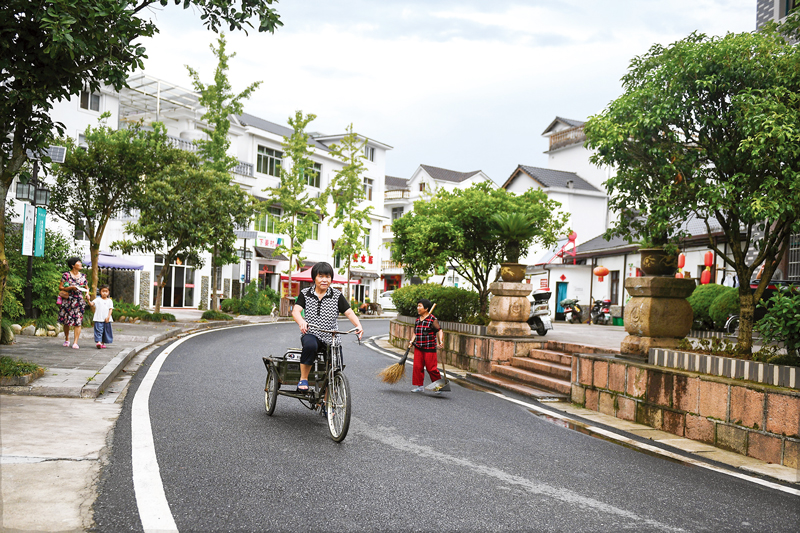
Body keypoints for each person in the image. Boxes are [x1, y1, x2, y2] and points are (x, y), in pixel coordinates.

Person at [291, 262, 363, 392]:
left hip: (332, 337)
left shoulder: (336, 295)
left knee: (335, 366)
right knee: (310, 346)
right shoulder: (305, 293)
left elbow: (349, 312)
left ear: (331, 279)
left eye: (328, 276)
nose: (324, 280)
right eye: (321, 276)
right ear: (314, 278)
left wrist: (358, 325)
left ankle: (327, 401)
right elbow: (296, 311)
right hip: (312, 333)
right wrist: (301, 322)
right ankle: (304, 378)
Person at [407, 298, 444, 394]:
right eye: (418, 306)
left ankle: (439, 387)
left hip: (429, 348)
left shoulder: (432, 319)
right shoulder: (417, 320)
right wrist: (411, 341)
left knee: (431, 368)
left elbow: (439, 330)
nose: (418, 308)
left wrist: (441, 340)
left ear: (426, 308)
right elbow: (415, 332)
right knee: (417, 367)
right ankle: (419, 386)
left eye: (420, 306)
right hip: (418, 347)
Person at [58, 257, 88, 349]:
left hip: (78, 301)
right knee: (66, 321)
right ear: (73, 265)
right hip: (68, 300)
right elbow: (61, 287)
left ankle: (75, 342)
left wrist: (87, 293)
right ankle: (67, 339)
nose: (81, 264)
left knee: (78, 321)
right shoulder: (66, 275)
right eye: (79, 262)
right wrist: (71, 288)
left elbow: (87, 287)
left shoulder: (83, 276)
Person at [87, 284, 114, 349]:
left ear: (108, 292)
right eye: (103, 291)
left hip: (106, 319)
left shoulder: (110, 301)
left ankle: (102, 342)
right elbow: (91, 304)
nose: (104, 293)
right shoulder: (97, 299)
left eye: (106, 291)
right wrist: (88, 299)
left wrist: (108, 317)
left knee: (106, 331)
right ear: (100, 292)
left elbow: (110, 309)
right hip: (98, 318)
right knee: (98, 330)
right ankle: (98, 342)